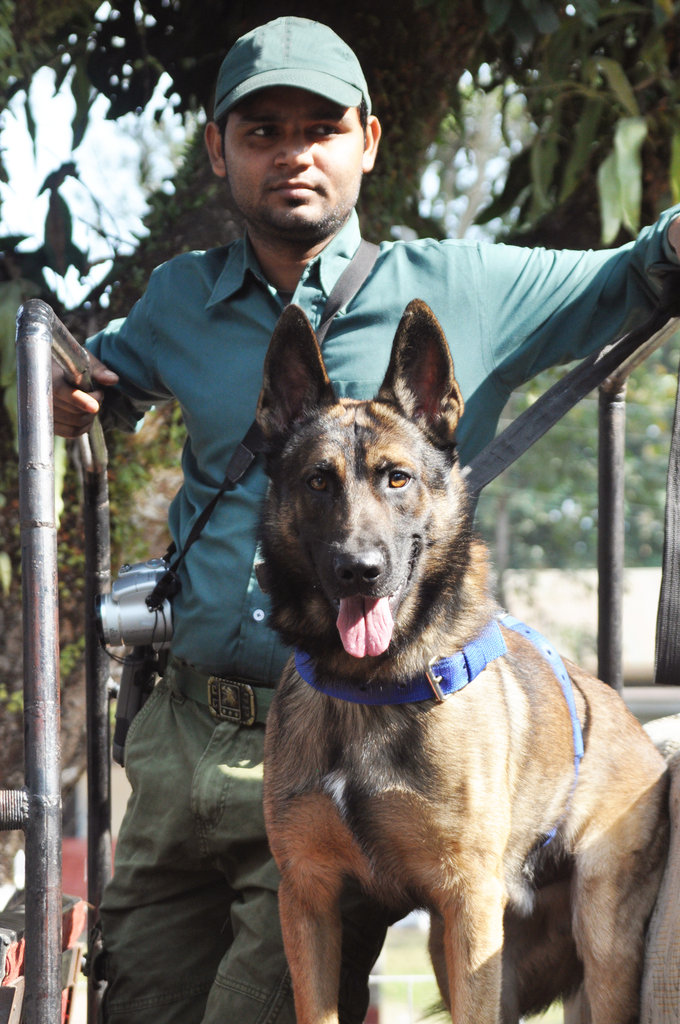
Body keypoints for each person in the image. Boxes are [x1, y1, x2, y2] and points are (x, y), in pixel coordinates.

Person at [53, 15, 680, 1024]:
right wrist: (52, 385)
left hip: (340, 717)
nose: (291, 152)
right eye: (261, 131)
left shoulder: (459, 284)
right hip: (179, 734)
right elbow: (93, 385)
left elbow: (626, 277)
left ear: (368, 142)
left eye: (319, 128)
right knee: (138, 1002)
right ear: (218, 148)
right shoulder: (178, 297)